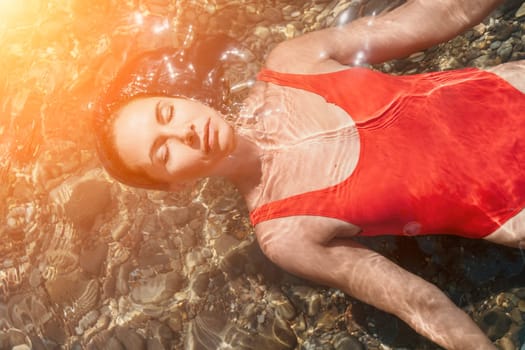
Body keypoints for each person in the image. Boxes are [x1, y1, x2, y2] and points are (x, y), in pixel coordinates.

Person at [92, 0, 525, 348]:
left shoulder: (293, 60)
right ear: (177, 185)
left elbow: (430, 17)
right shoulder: (286, 232)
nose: (183, 131)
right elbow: (417, 302)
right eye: (163, 152)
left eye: (166, 112)